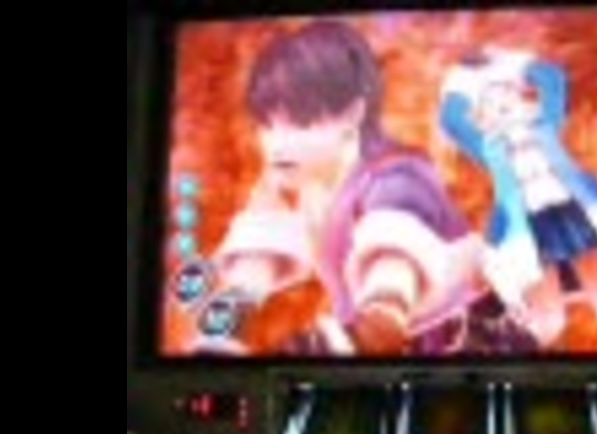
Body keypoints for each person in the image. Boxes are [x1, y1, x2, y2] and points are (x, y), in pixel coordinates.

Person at [197, 21, 534, 355]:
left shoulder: (396, 176)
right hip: (386, 352)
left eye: (299, 123)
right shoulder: (293, 181)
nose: (277, 144)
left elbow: (392, 276)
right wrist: (218, 340)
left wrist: (360, 332)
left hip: (473, 342)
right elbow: (253, 271)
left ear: (352, 114)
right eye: (267, 125)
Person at [439, 46, 597, 350]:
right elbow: (451, 119)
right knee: (548, 319)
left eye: (507, 94)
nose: (502, 104)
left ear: (523, 98)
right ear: (481, 118)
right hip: (524, 229)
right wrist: (463, 80)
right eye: (489, 103)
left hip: (573, 212)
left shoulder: (546, 124)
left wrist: (511, 62)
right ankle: (540, 366)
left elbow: (552, 78)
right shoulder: (487, 147)